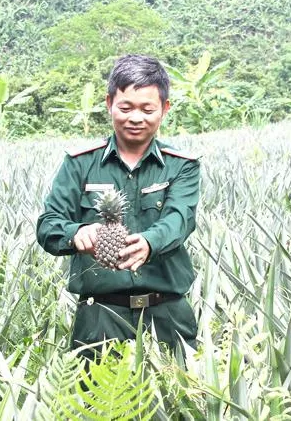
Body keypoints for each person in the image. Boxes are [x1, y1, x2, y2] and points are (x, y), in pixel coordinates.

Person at [36, 54, 201, 357]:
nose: (135, 118)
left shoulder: (182, 166)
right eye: (125, 107)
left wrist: (150, 242)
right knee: (99, 401)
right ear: (109, 103)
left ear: (164, 109)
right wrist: (77, 233)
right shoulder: (79, 163)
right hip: (100, 315)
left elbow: (180, 218)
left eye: (147, 109)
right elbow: (48, 224)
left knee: (179, 399)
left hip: (167, 312)